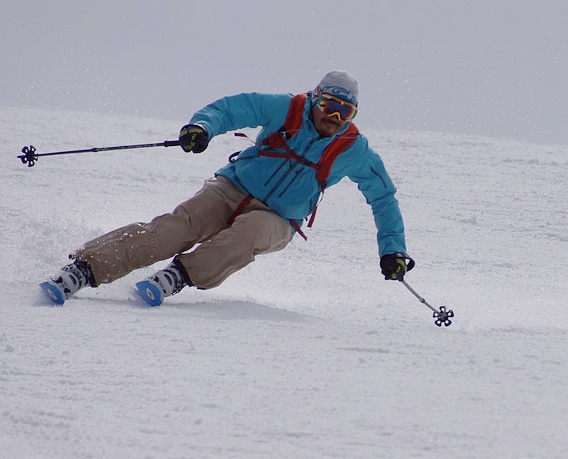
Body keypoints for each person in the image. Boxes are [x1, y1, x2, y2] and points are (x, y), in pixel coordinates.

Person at [40, 70, 414, 306]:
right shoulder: (286, 108)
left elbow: (383, 198)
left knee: (248, 233)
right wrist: (202, 127)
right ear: (315, 98)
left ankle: (181, 275)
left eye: (343, 113)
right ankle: (84, 269)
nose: (333, 118)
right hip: (233, 187)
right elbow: (232, 108)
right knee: (176, 229)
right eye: (330, 106)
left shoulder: (353, 149)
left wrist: (392, 251)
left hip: (279, 217)